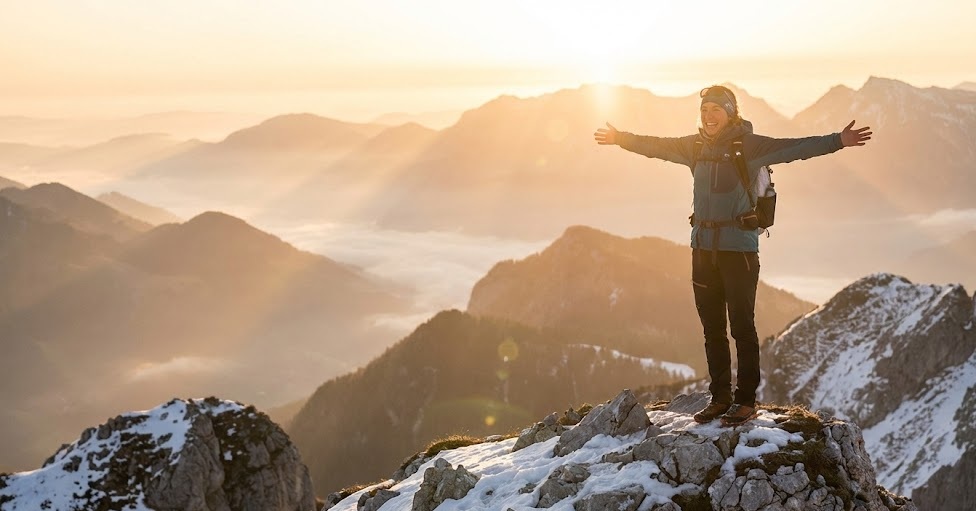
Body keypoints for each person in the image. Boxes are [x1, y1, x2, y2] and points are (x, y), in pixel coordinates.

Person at [593, 85, 872, 426]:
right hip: (702, 249)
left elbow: (795, 149)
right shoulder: (693, 147)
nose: (709, 116)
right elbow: (656, 147)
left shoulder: (748, 146)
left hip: (738, 250)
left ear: (730, 113)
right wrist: (620, 137)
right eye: (705, 110)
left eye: (716, 110)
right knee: (712, 328)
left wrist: (837, 140)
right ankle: (719, 397)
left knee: (741, 326)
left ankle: (745, 401)